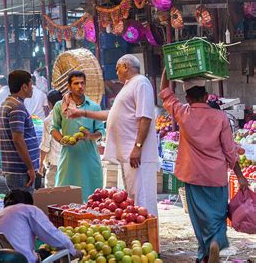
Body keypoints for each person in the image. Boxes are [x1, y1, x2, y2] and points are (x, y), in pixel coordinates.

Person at [159, 69, 249, 263]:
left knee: (199, 219)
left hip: (192, 176)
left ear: (188, 97)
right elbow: (230, 151)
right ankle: (215, 242)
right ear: (206, 96)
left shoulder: (182, 112)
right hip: (216, 178)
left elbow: (164, 90)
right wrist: (240, 176)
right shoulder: (220, 118)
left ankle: (205, 253)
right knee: (217, 216)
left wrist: (168, 67)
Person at [68, 55, 159, 215]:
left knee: (142, 199)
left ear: (125, 66)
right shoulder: (128, 86)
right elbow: (112, 115)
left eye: (117, 68)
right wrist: (82, 113)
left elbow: (145, 117)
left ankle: (148, 237)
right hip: (128, 155)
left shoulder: (141, 83)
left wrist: (138, 147)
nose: (116, 72)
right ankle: (141, 234)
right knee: (133, 198)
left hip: (138, 154)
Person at [0, 190, 81, 263]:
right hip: (20, 260)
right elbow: (51, 234)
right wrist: (72, 250)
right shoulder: (28, 209)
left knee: (42, 252)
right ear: (29, 203)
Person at [50, 71, 105, 202]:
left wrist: (89, 136)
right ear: (69, 86)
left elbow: (101, 132)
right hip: (69, 158)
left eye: (82, 83)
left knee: (92, 197)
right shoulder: (60, 106)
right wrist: (62, 139)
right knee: (65, 197)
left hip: (89, 158)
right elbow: (54, 128)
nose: (80, 86)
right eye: (76, 83)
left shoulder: (94, 107)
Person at [0, 70, 39, 193]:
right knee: (24, 207)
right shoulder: (17, 107)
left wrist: (5, 148)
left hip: (14, 168)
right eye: (31, 85)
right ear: (24, 87)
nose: (32, 88)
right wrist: (30, 167)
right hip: (20, 170)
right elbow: (18, 140)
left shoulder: (6, 104)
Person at [39, 90, 63, 188]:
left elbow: (45, 146)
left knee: (51, 191)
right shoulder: (69, 116)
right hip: (69, 161)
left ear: (49, 104)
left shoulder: (49, 120)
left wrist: (40, 164)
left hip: (55, 162)